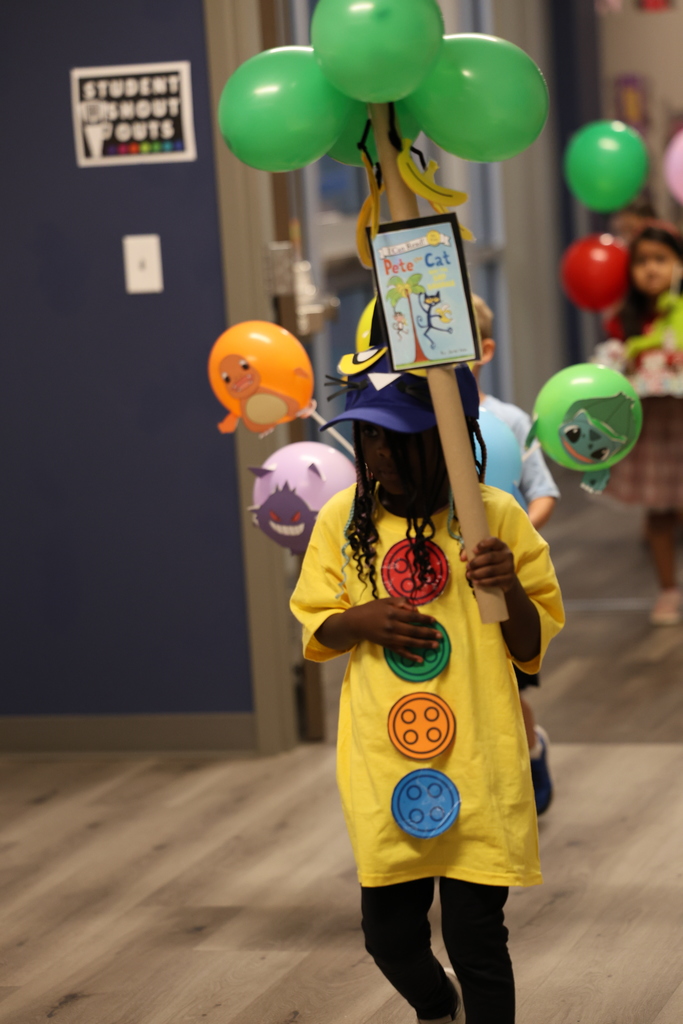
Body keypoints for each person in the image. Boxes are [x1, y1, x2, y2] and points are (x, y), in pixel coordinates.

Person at [290, 334, 564, 1024]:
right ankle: (436, 1008)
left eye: (397, 440)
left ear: (447, 438)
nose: (378, 456)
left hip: (479, 761)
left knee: (477, 938)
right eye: (367, 440)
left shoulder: (491, 518)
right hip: (387, 767)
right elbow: (315, 628)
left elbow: (530, 647)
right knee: (388, 937)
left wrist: (509, 588)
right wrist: (361, 620)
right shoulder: (339, 521)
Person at [471, 295, 560, 815]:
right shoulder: (422, 426)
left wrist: (515, 536)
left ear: (485, 350)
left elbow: (542, 490)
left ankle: (531, 752)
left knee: (511, 684)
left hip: (510, 578)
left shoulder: (509, 419)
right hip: (452, 580)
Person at [600, 225, 683, 625]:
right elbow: (615, 364)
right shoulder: (626, 320)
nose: (651, 269)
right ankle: (668, 590)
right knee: (659, 511)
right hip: (651, 426)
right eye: (642, 261)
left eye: (661, 259)